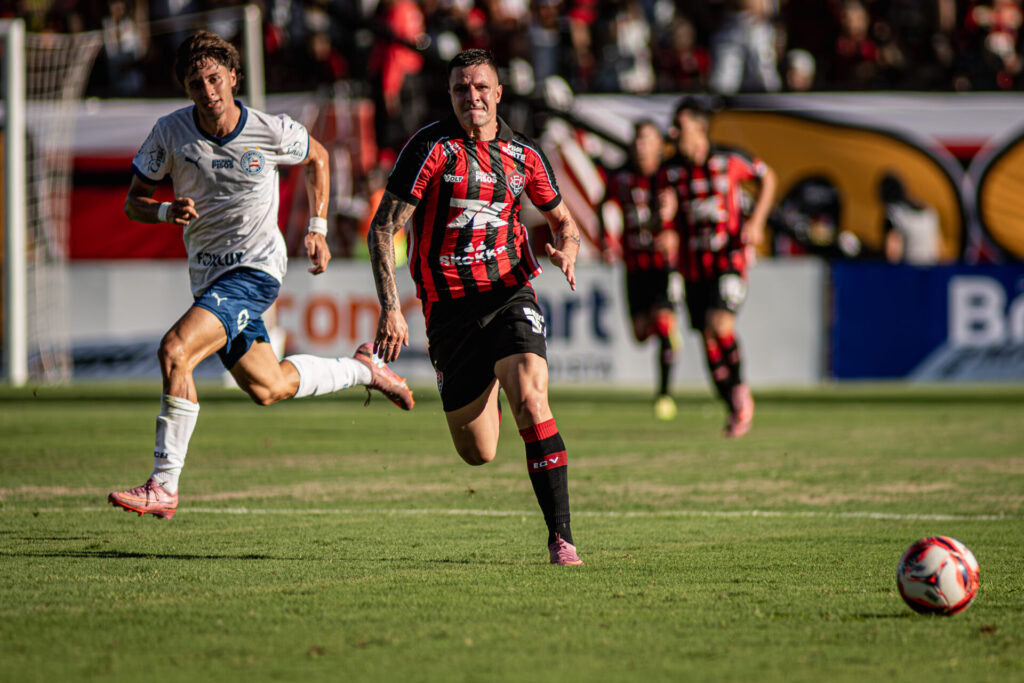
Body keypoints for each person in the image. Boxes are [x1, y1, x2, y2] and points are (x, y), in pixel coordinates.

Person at [108, 31, 414, 520]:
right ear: (186, 89)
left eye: (214, 78)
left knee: (175, 350)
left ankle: (163, 485)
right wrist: (166, 212)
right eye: (196, 82)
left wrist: (317, 228)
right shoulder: (169, 133)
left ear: (233, 77)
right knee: (268, 387)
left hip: (255, 271)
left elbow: (319, 156)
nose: (208, 91)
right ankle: (363, 368)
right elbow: (133, 203)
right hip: (209, 279)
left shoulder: (270, 129)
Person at [366, 49, 584, 565]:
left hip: (510, 292)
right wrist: (391, 309)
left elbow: (564, 221)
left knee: (533, 400)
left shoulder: (525, 156)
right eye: (462, 89)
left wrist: (567, 248)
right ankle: (489, 380)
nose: (473, 98)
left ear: (499, 93)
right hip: (449, 313)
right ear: (451, 96)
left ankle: (562, 539)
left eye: (482, 87)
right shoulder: (431, 148)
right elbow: (383, 227)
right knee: (478, 452)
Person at [657, 96, 776, 438]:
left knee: (719, 323)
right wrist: (663, 224)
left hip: (730, 260)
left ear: (699, 128)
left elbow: (769, 178)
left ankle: (740, 392)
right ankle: (733, 405)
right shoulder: (671, 172)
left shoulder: (729, 160)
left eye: (680, 126)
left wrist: (756, 222)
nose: (674, 132)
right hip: (693, 268)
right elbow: (662, 217)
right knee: (708, 339)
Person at [599, 119, 681, 420]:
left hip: (665, 266)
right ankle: (666, 334)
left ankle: (664, 394)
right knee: (640, 334)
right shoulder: (621, 177)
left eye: (647, 139)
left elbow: (689, 213)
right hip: (635, 267)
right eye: (637, 139)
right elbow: (604, 206)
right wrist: (608, 240)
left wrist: (676, 235)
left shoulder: (671, 176)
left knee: (662, 324)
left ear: (660, 145)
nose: (641, 146)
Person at [879, 172, 941, 265]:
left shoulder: (893, 213)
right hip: (930, 271)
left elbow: (892, 252)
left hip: (907, 271)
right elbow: (939, 247)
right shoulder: (929, 211)